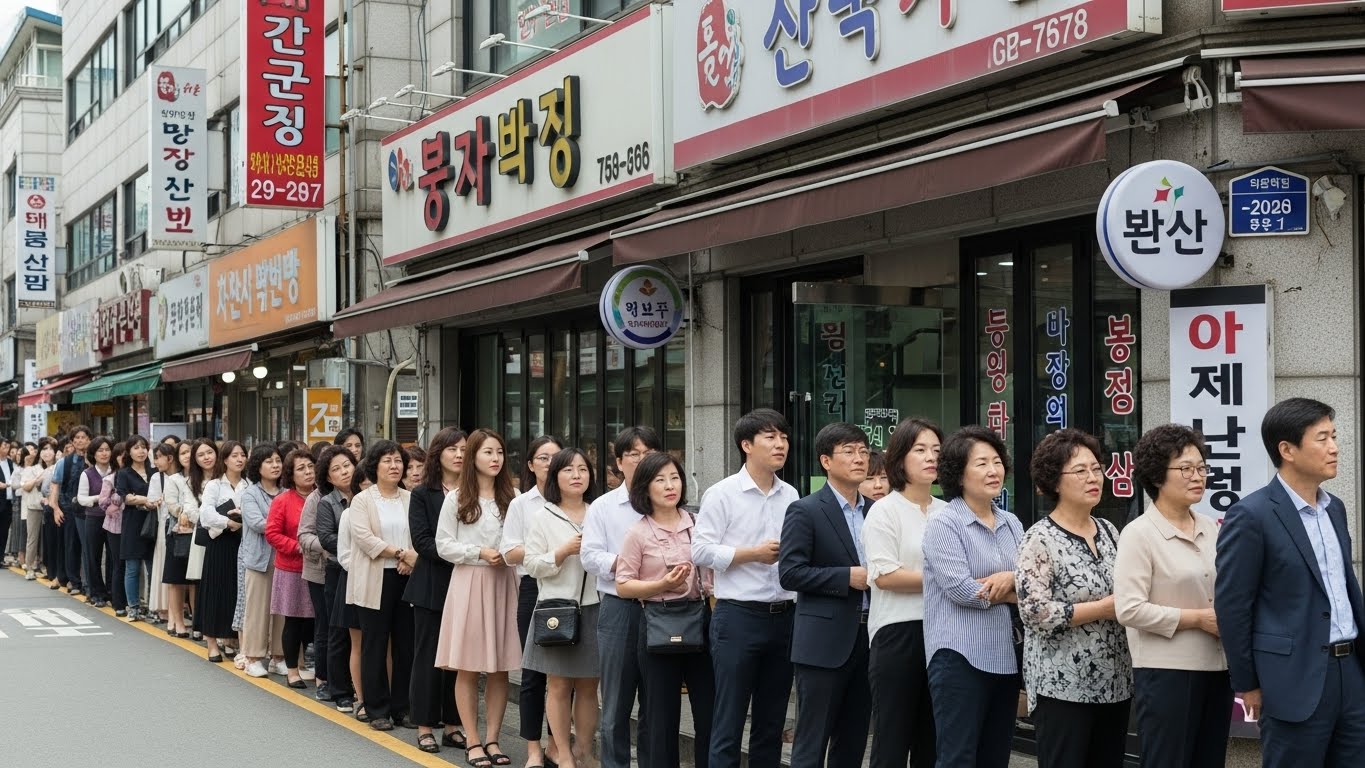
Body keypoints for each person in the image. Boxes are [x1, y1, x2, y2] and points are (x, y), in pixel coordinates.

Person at [1216, 398, 1365, 767]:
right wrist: (1247, 683)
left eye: (1334, 436)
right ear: (1287, 450)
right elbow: (1234, 606)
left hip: (1350, 670)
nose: (1334, 448)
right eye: (1322, 438)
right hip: (1292, 680)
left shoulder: (1335, 508)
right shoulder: (1251, 515)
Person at [1015, 428, 1132, 768]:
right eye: (1080, 471)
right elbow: (1035, 612)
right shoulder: (1039, 538)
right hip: (1062, 686)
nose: (1093, 478)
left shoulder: (1110, 530)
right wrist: (1103, 609)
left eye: (1097, 468)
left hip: (1116, 680)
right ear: (1054, 481)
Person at [1114, 425, 1228, 767]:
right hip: (1166, 673)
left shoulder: (1211, 526)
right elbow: (1129, 609)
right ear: (1157, 475)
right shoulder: (1139, 534)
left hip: (1218, 667)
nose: (1198, 476)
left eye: (1201, 467)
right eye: (1186, 468)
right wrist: (1196, 618)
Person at [691, 409, 799, 768]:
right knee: (730, 718)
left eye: (783, 437)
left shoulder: (791, 494)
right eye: (770, 437)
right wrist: (750, 554)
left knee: (771, 721)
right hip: (738, 616)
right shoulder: (722, 493)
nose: (780, 444)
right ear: (746, 445)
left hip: (785, 616)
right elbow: (700, 550)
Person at [921, 426, 1024, 768]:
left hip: (1005, 658)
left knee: (995, 756)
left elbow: (1033, 584)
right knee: (957, 758)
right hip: (958, 658)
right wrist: (1015, 592)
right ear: (958, 473)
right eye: (981, 463)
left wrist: (1010, 580)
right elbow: (962, 590)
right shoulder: (944, 522)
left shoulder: (1012, 523)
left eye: (997, 461)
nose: (993, 470)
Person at [779, 422, 873, 768]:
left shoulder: (876, 511)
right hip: (823, 643)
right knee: (812, 741)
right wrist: (846, 577)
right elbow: (789, 572)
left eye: (863, 451)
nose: (859, 458)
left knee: (854, 739)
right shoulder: (806, 510)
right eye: (849, 451)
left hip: (871, 637)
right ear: (826, 461)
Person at [618, 452, 715, 768]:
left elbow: (712, 576)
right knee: (661, 717)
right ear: (645, 488)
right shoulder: (638, 532)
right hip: (658, 623)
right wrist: (660, 585)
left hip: (700, 621)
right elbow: (623, 585)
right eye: (660, 480)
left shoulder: (698, 523)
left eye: (674, 477)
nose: (670, 485)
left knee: (709, 713)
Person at [862, 418, 945, 768]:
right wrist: (949, 579)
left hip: (943, 632)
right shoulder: (884, 511)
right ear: (900, 458)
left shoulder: (949, 512)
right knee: (892, 738)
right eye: (921, 450)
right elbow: (886, 577)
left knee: (934, 738)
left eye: (937, 451)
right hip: (897, 634)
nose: (931, 457)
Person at [435, 428, 520, 766]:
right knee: (468, 667)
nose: (495, 458)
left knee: (500, 669)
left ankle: (494, 739)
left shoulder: (514, 497)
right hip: (470, 582)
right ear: (473, 457)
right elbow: (444, 544)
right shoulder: (456, 498)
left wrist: (506, 554)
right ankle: (472, 739)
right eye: (487, 452)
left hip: (504, 583)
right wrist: (479, 553)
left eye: (499, 452)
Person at [581, 426, 663, 768]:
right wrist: (628, 564)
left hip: (664, 609)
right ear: (619, 462)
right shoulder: (603, 506)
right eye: (635, 454)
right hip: (619, 608)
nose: (642, 460)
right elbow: (590, 556)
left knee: (657, 703)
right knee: (615, 703)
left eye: (649, 453)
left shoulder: (669, 502)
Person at [523, 447, 601, 768]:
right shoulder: (543, 516)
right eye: (568, 470)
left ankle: (584, 750)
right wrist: (561, 552)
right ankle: (563, 754)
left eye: (583, 470)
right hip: (556, 610)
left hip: (595, 607)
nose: (577, 476)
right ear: (556, 476)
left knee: (588, 685)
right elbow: (531, 563)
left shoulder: (599, 512)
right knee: (557, 684)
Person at [402, 428, 468, 752]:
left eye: (464, 449)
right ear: (438, 453)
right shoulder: (423, 493)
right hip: (431, 585)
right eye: (453, 449)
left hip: (468, 584)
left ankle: (454, 725)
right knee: (428, 657)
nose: (459, 455)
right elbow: (422, 541)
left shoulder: (474, 491)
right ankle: (425, 725)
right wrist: (462, 554)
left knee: (459, 659)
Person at [501, 434, 564, 768]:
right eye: (543, 458)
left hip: (569, 592)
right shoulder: (521, 504)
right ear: (530, 465)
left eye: (556, 457)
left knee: (562, 675)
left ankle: (559, 746)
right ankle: (533, 750)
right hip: (533, 588)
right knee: (533, 674)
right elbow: (510, 553)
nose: (550, 463)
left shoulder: (576, 500)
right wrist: (547, 549)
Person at [347, 440, 418, 732]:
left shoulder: (411, 498)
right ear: (374, 466)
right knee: (374, 644)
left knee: (406, 644)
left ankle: (402, 707)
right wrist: (399, 552)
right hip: (375, 579)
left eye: (399, 461)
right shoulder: (362, 500)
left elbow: (420, 534)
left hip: (406, 577)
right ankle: (376, 708)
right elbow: (364, 538)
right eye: (388, 461)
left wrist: (410, 557)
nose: (395, 466)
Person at [265, 448, 318, 688]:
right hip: (292, 569)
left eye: (310, 466)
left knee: (318, 621)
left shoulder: (323, 496)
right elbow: (272, 534)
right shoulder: (283, 500)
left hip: (320, 568)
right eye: (301, 469)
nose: (308, 472)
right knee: (293, 621)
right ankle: (292, 670)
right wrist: (299, 547)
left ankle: (316, 669)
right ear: (290, 474)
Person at [315, 446, 360, 714]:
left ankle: (359, 686)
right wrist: (358, 546)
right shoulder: (327, 503)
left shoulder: (367, 496)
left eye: (347, 465)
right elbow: (325, 538)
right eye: (336, 469)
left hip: (369, 570)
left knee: (362, 632)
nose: (344, 472)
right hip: (338, 570)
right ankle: (339, 689)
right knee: (338, 630)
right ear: (329, 478)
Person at [198, 441, 248, 663]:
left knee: (235, 592)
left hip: (242, 542)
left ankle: (231, 639)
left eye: (242, 455)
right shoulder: (215, 485)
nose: (239, 459)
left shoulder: (249, 484)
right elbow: (205, 515)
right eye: (234, 455)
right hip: (220, 543)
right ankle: (211, 642)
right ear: (225, 459)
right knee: (215, 591)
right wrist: (228, 522)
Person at [240, 443, 287, 677]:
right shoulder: (250, 493)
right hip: (259, 559)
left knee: (282, 610)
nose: (275, 465)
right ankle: (253, 657)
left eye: (278, 460)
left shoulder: (287, 491)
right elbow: (257, 523)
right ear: (258, 467)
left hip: (285, 559)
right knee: (257, 609)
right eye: (269, 461)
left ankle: (279, 657)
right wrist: (283, 523)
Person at [116, 436, 159, 622]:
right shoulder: (124, 473)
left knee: (152, 568)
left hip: (152, 523)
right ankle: (133, 606)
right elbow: (124, 498)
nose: (141, 451)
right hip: (133, 524)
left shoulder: (155, 472)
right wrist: (144, 500)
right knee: (132, 568)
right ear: (129, 452)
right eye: (136, 447)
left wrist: (137, 497)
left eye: (143, 447)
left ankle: (153, 607)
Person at [50, 426, 93, 596]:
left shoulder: (95, 460)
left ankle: (91, 584)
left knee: (90, 548)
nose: (80, 440)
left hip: (92, 509)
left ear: (90, 439)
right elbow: (55, 487)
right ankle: (74, 581)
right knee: (71, 546)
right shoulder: (64, 462)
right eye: (77, 438)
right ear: (72, 441)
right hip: (69, 509)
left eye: (84, 437)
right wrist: (55, 508)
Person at [159, 441, 196, 636]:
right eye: (183, 452)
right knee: (176, 579)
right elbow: (172, 505)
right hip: (178, 532)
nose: (187, 456)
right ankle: (178, 622)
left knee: (196, 580)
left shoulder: (206, 477)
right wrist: (185, 512)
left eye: (191, 451)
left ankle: (197, 623)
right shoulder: (174, 479)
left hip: (199, 532)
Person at [78, 438, 117, 608]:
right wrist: (99, 498)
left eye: (107, 449)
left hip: (113, 519)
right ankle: (96, 592)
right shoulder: (87, 473)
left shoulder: (116, 471)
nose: (104, 453)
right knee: (93, 556)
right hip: (93, 518)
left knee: (113, 556)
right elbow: (81, 499)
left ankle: (112, 591)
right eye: (100, 450)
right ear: (93, 454)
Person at [19, 445, 51, 582]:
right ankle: (30, 567)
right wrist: (37, 480)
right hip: (34, 506)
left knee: (49, 539)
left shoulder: (54, 467)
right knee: (32, 538)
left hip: (51, 506)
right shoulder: (30, 469)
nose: (46, 453)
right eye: (43, 451)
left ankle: (47, 567)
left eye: (49, 450)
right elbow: (25, 487)